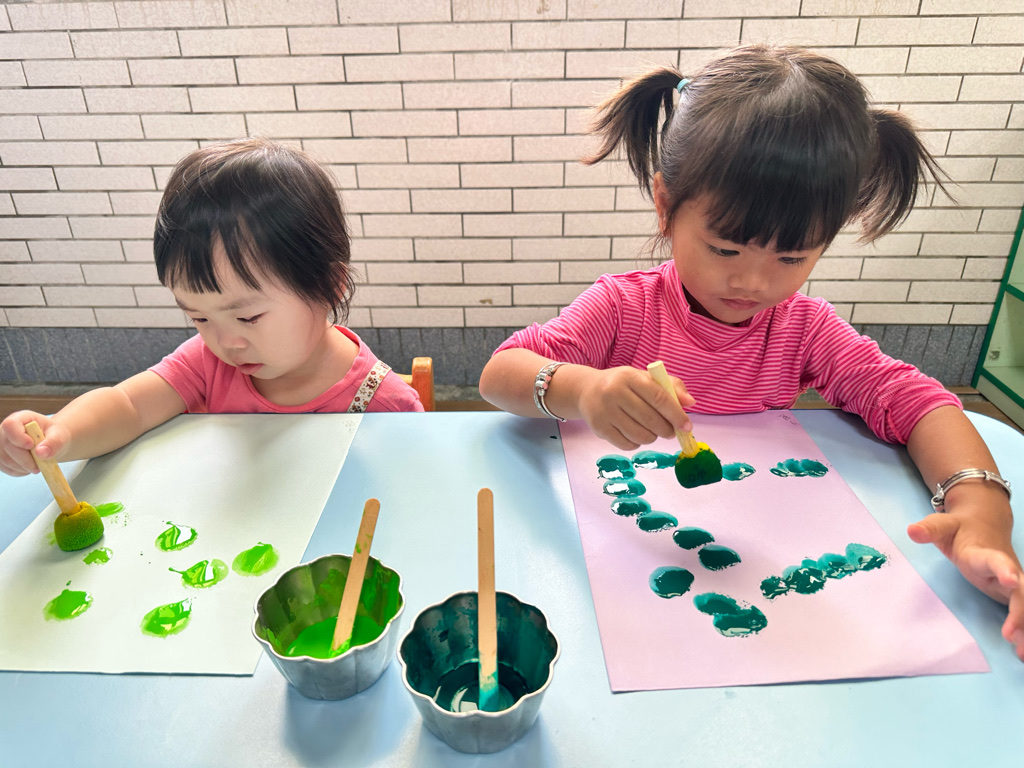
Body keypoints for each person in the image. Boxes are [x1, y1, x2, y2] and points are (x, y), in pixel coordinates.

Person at [478, 44, 1023, 659]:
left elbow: (917, 402)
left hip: (763, 574)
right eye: (725, 249)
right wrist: (582, 390)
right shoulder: (622, 308)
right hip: (624, 582)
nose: (753, 282)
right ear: (665, 205)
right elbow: (500, 374)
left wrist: (979, 510)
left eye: (792, 257)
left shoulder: (804, 329)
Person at [0, 138, 423, 475]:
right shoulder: (207, 365)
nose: (225, 341)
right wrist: (61, 432)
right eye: (199, 317)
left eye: (248, 317)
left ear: (330, 286)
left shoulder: (386, 405)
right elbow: (128, 406)